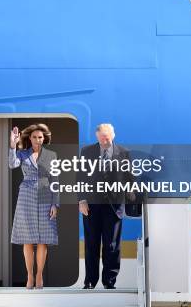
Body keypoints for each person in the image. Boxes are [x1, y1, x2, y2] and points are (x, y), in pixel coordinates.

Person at [78, 123, 132, 290]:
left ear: (113, 136)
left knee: (112, 245)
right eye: (102, 139)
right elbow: (80, 177)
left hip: (114, 206)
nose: (105, 142)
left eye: (107, 139)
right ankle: (89, 281)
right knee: (91, 244)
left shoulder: (124, 153)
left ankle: (109, 281)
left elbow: (129, 179)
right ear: (97, 137)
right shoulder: (87, 152)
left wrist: (132, 197)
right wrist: (81, 200)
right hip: (91, 206)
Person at [9, 123, 59, 290]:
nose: (38, 140)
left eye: (40, 137)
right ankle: (29, 275)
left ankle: (39, 276)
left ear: (44, 138)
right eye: (35, 137)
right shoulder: (22, 154)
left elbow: (55, 181)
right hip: (26, 197)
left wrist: (55, 204)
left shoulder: (52, 155)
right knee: (28, 239)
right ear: (29, 138)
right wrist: (12, 145)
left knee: (43, 240)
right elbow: (12, 164)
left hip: (46, 196)